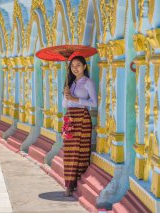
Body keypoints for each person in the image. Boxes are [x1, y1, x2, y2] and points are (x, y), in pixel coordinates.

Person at [61, 54, 97, 196]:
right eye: (72, 66)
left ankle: (76, 183)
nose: (75, 68)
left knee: (79, 151)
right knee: (69, 152)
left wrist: (75, 99)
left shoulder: (88, 82)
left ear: (84, 67)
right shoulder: (70, 83)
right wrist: (66, 96)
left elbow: (94, 103)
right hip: (70, 118)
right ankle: (68, 183)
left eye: (78, 65)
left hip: (82, 117)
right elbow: (65, 105)